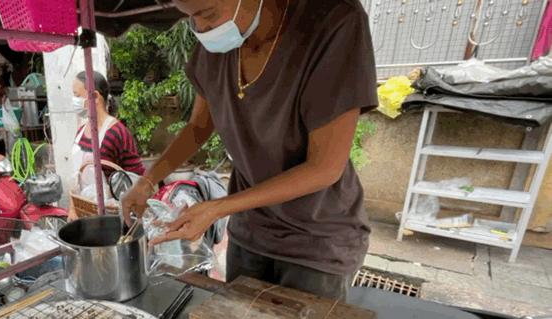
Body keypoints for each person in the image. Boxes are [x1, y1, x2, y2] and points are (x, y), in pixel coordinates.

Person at [121, 0, 377, 301]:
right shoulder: (216, 41)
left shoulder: (334, 22)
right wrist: (147, 181)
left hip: (316, 240)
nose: (201, 30)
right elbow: (199, 126)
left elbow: (324, 167)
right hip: (251, 231)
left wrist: (218, 208)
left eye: (208, 14)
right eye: (191, 19)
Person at [72, 71, 144, 187]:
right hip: (81, 202)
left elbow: (136, 178)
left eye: (77, 95)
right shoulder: (81, 131)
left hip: (110, 204)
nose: (74, 101)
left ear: (95, 96)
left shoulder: (117, 132)